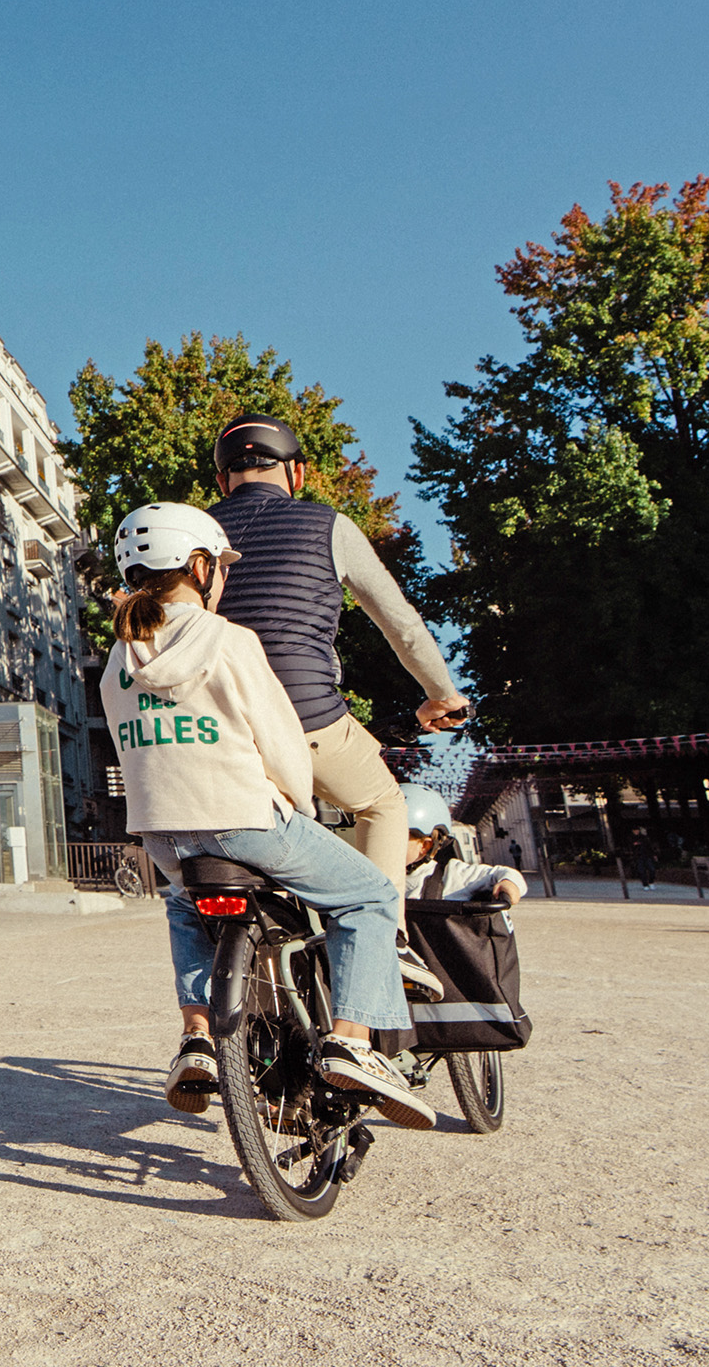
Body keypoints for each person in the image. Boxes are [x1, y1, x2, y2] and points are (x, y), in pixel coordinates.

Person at [99, 501, 431, 1131]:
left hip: (162, 836)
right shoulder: (230, 641)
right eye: (220, 567)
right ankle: (354, 1043)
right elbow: (282, 747)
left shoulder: (120, 658)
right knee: (366, 894)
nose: (223, 577)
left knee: (182, 904)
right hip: (243, 820)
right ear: (200, 567)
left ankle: (197, 1035)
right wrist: (300, 805)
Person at [206, 415, 470, 996]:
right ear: (297, 471)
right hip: (307, 718)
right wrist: (441, 695)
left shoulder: (196, 536)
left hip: (216, 732)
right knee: (381, 803)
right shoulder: (327, 524)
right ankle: (389, 941)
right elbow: (399, 623)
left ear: (224, 480)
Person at [400, 785, 527, 905]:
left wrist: (509, 883)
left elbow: (502, 873)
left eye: (394, 838)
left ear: (425, 846)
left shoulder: (452, 875)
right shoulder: (381, 878)